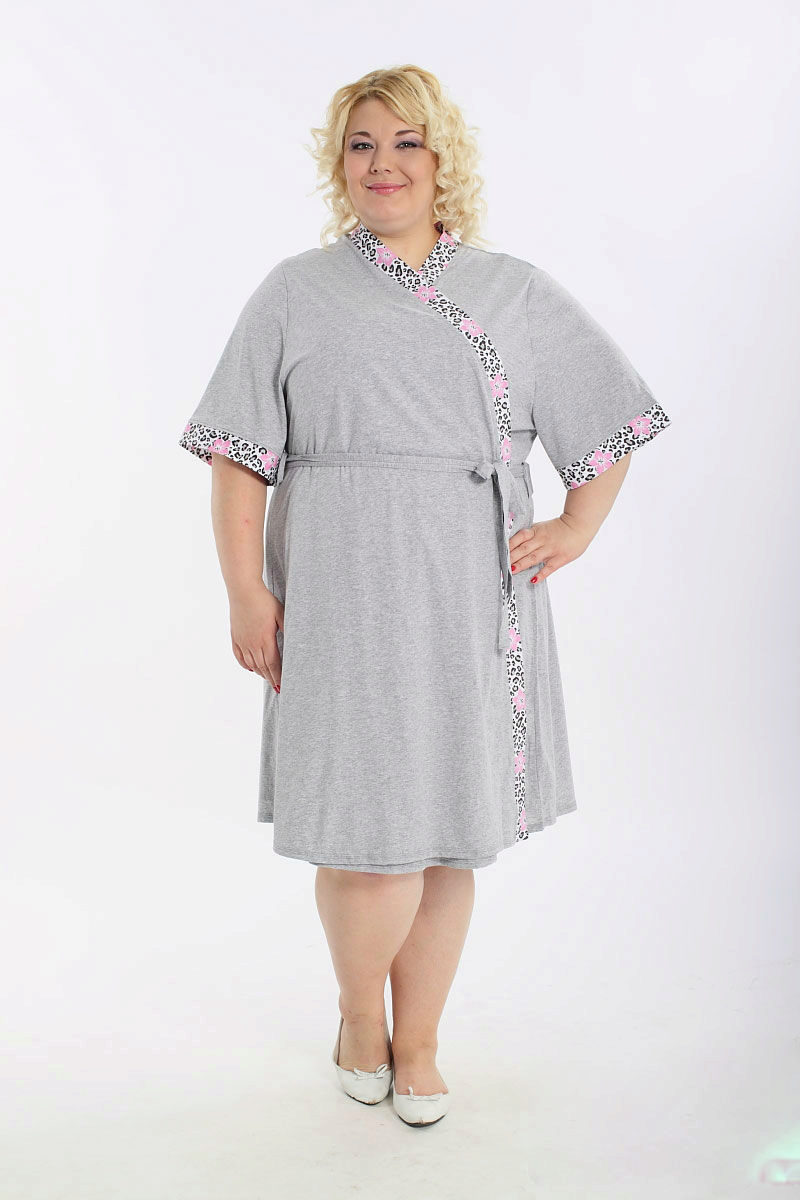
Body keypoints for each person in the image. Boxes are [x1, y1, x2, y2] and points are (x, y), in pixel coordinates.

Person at [177, 64, 671, 1126]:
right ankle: (361, 1016)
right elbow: (236, 457)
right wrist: (246, 592)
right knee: (365, 832)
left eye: (406, 142)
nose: (383, 164)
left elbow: (610, 414)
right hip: (340, 588)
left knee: (448, 829)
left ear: (444, 159)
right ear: (337, 164)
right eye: (361, 144)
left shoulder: (512, 292)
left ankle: (423, 1041)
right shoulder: (293, 292)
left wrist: (576, 525)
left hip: (468, 591)